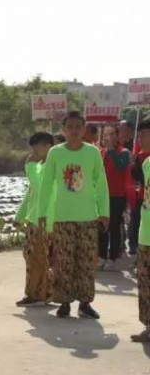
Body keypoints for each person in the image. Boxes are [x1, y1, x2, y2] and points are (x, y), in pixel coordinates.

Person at [38, 110, 109, 319]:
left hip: (88, 217)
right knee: (64, 261)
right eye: (70, 127)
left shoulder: (92, 153)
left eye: (78, 127)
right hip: (62, 217)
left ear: (84, 129)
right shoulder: (56, 153)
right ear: (64, 130)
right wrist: (42, 213)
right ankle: (65, 302)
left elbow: (101, 184)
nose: (75, 131)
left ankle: (85, 303)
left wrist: (104, 212)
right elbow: (46, 185)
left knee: (86, 261)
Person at [14, 132, 54, 307]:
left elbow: (40, 188)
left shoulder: (49, 167)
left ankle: (37, 293)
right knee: (31, 257)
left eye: (38, 146)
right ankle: (42, 291)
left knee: (37, 258)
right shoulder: (39, 166)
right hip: (33, 219)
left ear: (47, 146)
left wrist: (29, 167)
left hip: (43, 221)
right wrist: (19, 216)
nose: (35, 151)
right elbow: (30, 194)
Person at [99, 126, 130, 270]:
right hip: (102, 195)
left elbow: (121, 167)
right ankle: (101, 255)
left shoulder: (124, 153)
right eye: (106, 134)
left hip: (117, 196)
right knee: (102, 225)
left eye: (112, 134)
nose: (108, 137)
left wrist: (111, 151)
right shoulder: (100, 152)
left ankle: (113, 256)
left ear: (117, 137)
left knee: (114, 226)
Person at [131, 119, 150, 343]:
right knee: (145, 283)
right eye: (141, 134)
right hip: (146, 233)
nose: (141, 139)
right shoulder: (146, 164)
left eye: (146, 134)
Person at [126, 122, 150, 257]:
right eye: (139, 136)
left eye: (145, 135)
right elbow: (137, 180)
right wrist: (133, 165)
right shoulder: (137, 157)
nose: (141, 139)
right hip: (140, 199)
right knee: (137, 228)